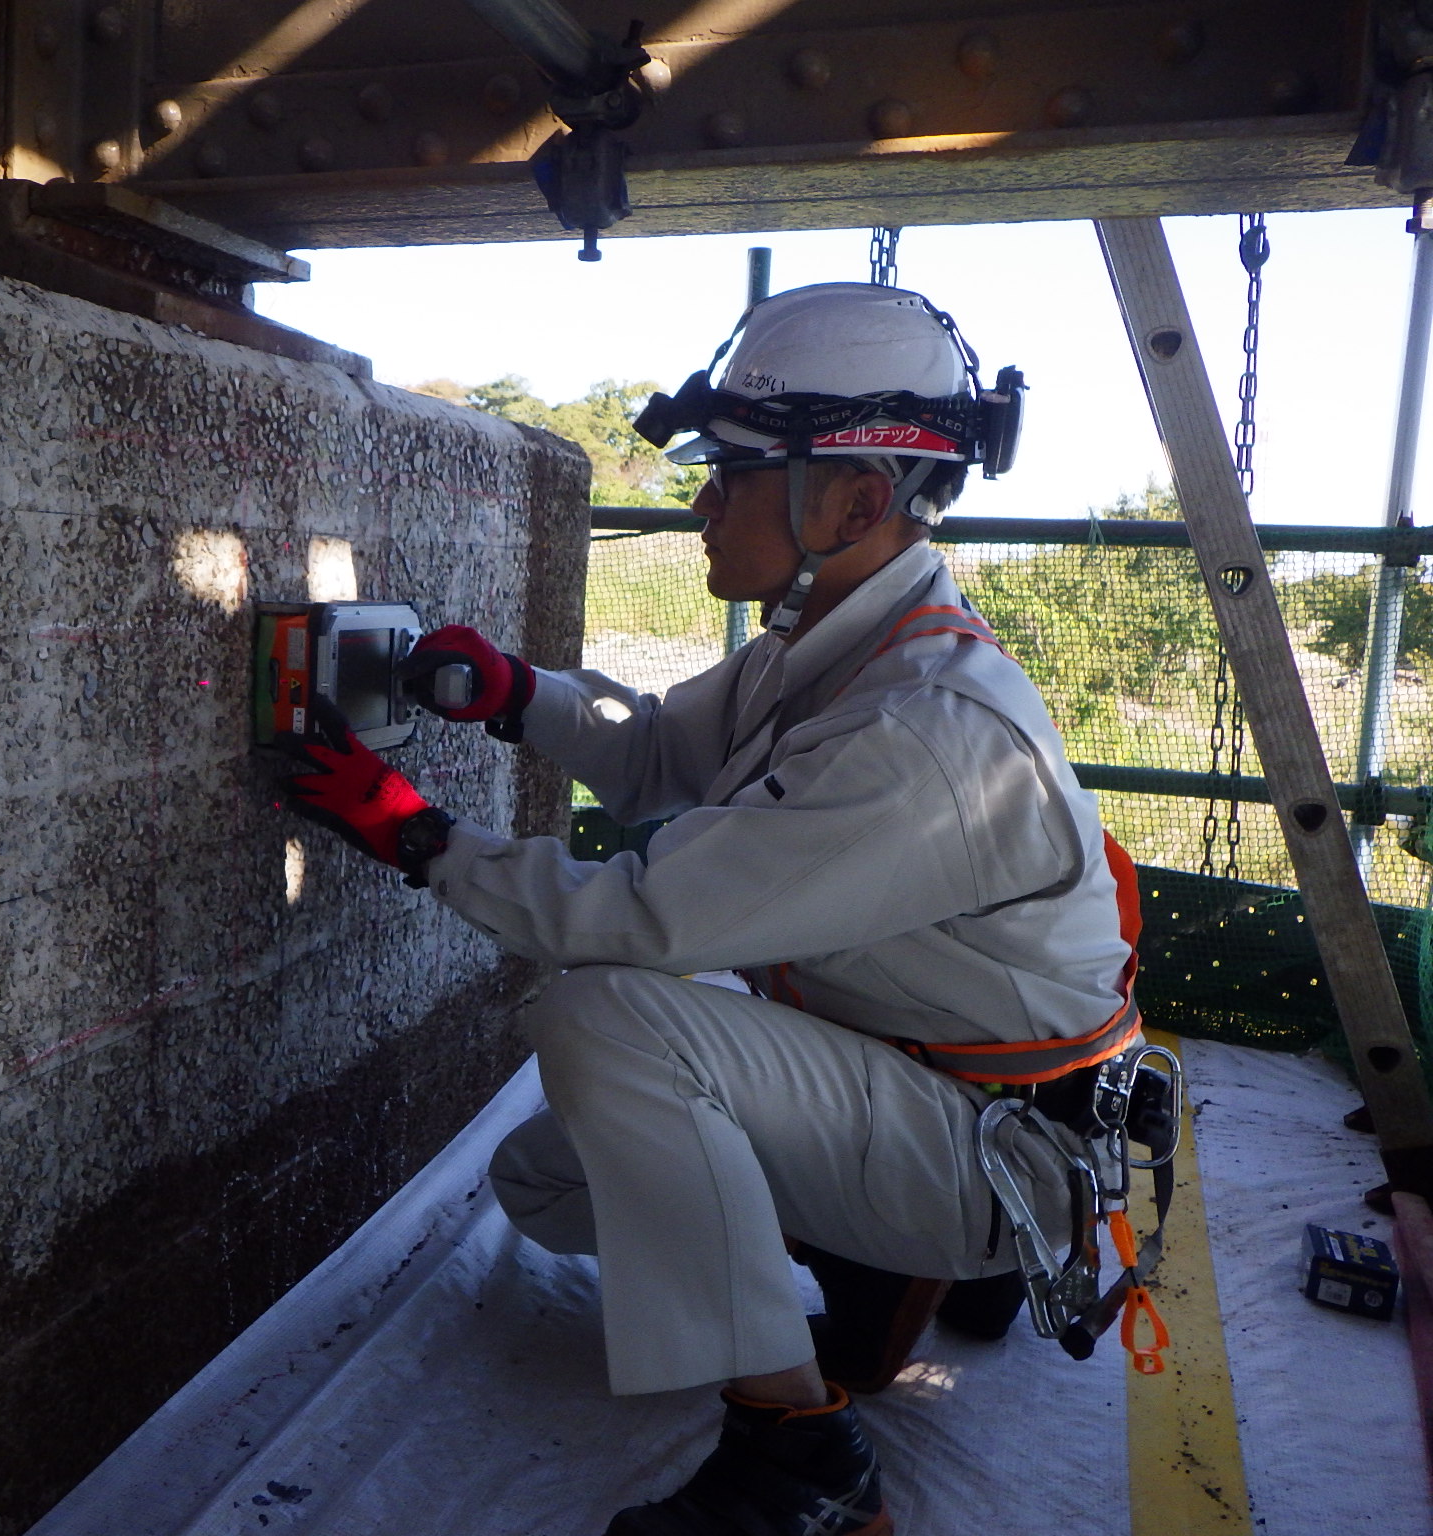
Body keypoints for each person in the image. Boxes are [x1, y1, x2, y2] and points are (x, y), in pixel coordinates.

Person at [276, 282, 1136, 1536]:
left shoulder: (926, 731)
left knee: (604, 1020)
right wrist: (516, 695)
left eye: (731, 473)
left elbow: (631, 921)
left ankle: (800, 1455)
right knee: (543, 1187)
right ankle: (886, 1258)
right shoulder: (831, 645)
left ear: (849, 501)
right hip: (936, 1089)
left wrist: (416, 838)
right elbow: (656, 758)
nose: (699, 502)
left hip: (993, 1144)